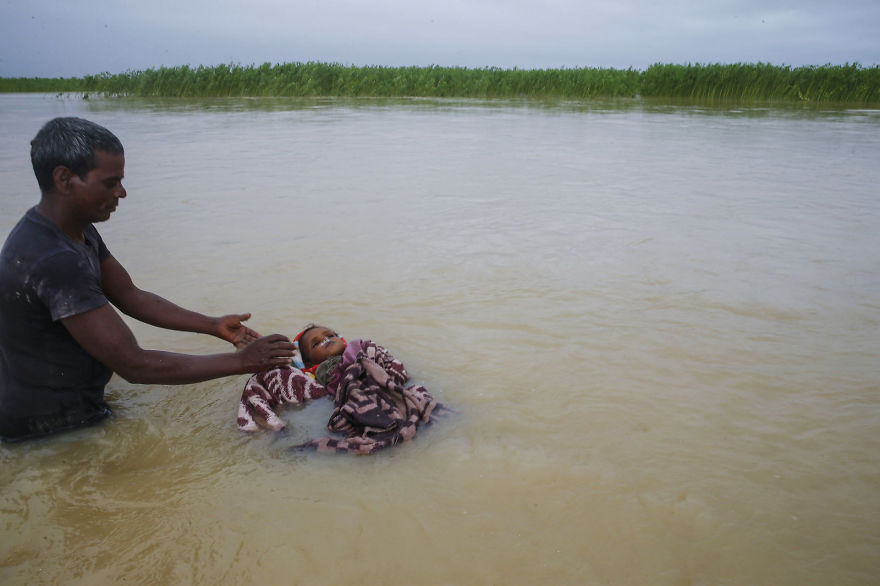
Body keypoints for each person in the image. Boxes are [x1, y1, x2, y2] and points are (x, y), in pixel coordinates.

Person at [0, 117, 296, 442]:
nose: (122, 192)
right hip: (48, 427)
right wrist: (241, 362)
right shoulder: (54, 259)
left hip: (70, 405)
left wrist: (212, 325)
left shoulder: (75, 229)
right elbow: (134, 365)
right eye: (110, 182)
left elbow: (131, 295)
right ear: (64, 179)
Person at [237, 324, 446, 454]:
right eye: (316, 343)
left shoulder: (362, 350)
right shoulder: (312, 377)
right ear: (308, 363)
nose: (326, 339)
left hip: (377, 386)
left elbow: (395, 370)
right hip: (344, 398)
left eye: (330, 335)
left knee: (418, 393)